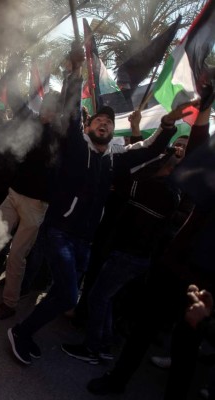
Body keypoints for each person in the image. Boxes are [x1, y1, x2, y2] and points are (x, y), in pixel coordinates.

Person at [6, 43, 193, 366]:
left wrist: (168, 125)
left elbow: (148, 151)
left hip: (84, 241)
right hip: (60, 232)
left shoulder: (114, 161)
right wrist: (75, 73)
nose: (104, 124)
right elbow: (69, 112)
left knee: (61, 292)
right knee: (69, 295)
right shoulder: (77, 148)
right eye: (98, 121)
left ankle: (29, 326)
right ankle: (22, 332)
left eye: (108, 122)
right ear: (88, 126)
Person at [86, 97, 214, 399]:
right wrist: (205, 108)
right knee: (144, 328)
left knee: (185, 348)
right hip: (173, 265)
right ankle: (117, 379)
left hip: (205, 284)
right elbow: (198, 153)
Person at [61, 112, 185, 363]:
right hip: (129, 250)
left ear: (167, 168)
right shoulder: (164, 189)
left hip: (129, 253)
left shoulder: (158, 190)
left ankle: (92, 347)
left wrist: (112, 170)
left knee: (99, 295)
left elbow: (133, 170)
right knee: (104, 296)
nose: (155, 165)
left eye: (160, 163)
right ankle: (103, 344)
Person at [0, 91, 62, 320]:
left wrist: (73, 76)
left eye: (54, 107)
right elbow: (20, 105)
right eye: (46, 105)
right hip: (13, 195)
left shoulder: (59, 136)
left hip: (35, 206)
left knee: (16, 256)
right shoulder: (31, 124)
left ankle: (9, 303)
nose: (48, 110)